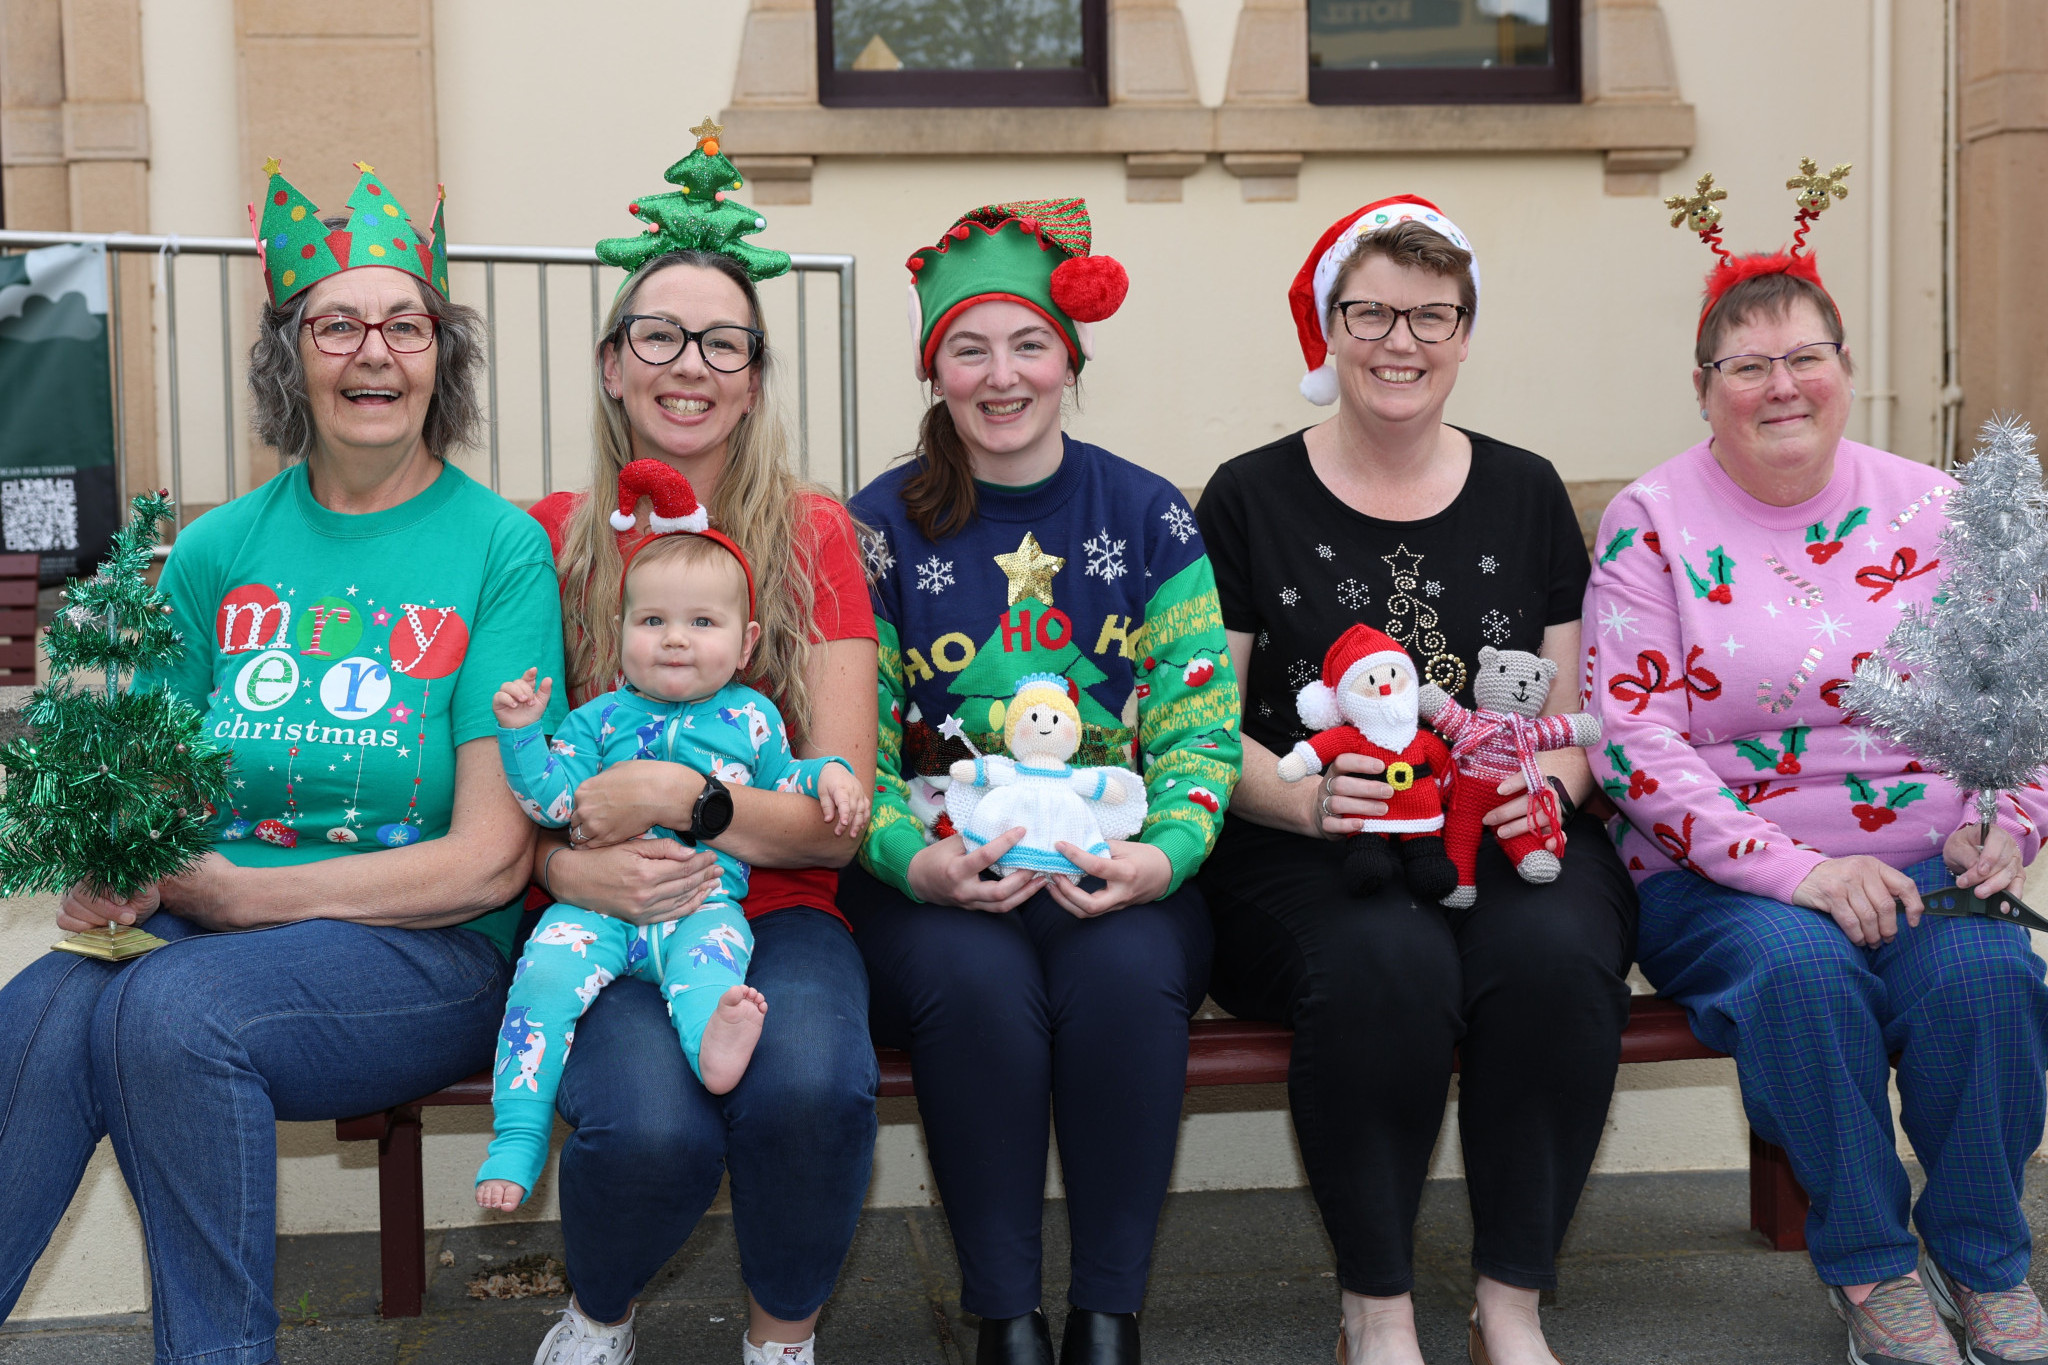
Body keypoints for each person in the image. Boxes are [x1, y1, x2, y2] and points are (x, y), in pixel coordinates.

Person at [0, 160, 565, 1362]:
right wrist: (121, 870)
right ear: (290, 358)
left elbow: (485, 858)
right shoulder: (214, 551)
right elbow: (154, 792)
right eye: (338, 325)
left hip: (425, 950)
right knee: (39, 1014)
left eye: (404, 325)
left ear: (440, 356)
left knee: (169, 1010)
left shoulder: (498, 550)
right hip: (205, 929)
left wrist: (240, 899)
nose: (374, 353)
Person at [1589, 165, 2048, 1365]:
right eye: (1745, 365)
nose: (1779, 384)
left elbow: (2024, 691)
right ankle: (1870, 1269)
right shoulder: (1650, 523)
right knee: (1801, 980)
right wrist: (1796, 872)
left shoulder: (1939, 508)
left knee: (1984, 984)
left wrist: (2011, 824)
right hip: (1730, 877)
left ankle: (1983, 1255)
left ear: (1842, 367)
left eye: (1804, 355)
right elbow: (1632, 747)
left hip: (1928, 861)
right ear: (1704, 390)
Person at [1194, 196, 1635, 1365]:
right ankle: (1376, 1310)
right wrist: (1299, 799)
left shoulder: (1527, 489)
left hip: (1501, 824)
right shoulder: (1244, 496)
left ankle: (1509, 1306)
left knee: (1551, 959)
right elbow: (1200, 722)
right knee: (1380, 962)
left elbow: (1572, 705)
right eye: (1371, 312)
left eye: (1430, 315)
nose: (1401, 342)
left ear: (1465, 329)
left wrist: (1558, 795)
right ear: (1328, 330)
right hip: (1308, 838)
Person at [842, 197, 1241, 1365]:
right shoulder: (875, 529)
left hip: (1112, 861)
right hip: (934, 873)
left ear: (1069, 358)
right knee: (974, 990)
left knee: (1124, 979)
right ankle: (1003, 1318)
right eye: (968, 347)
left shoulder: (1147, 513)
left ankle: (1107, 1315)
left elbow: (1199, 727)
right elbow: (847, 751)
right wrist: (909, 862)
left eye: (1026, 344)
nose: (1000, 374)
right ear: (934, 371)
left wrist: (1160, 855)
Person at [518, 124, 879, 1365]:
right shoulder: (547, 538)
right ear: (614, 366)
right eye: (659, 337)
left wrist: (692, 800)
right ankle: (599, 1318)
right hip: (601, 914)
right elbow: (513, 780)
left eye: (722, 342)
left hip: (776, 900)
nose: (690, 366)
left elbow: (842, 818)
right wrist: (568, 869)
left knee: (810, 1086)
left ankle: (781, 1339)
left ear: (755, 377)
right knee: (650, 1130)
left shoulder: (816, 536)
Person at [476, 462, 868, 1212]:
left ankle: (713, 1048)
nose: (675, 641)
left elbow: (787, 781)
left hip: (701, 906)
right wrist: (523, 734)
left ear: (746, 640)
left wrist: (833, 777)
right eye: (652, 622)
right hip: (595, 912)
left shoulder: (754, 718)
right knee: (542, 984)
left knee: (715, 983)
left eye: (702, 623)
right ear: (617, 634)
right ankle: (518, 1132)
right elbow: (553, 800)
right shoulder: (597, 721)